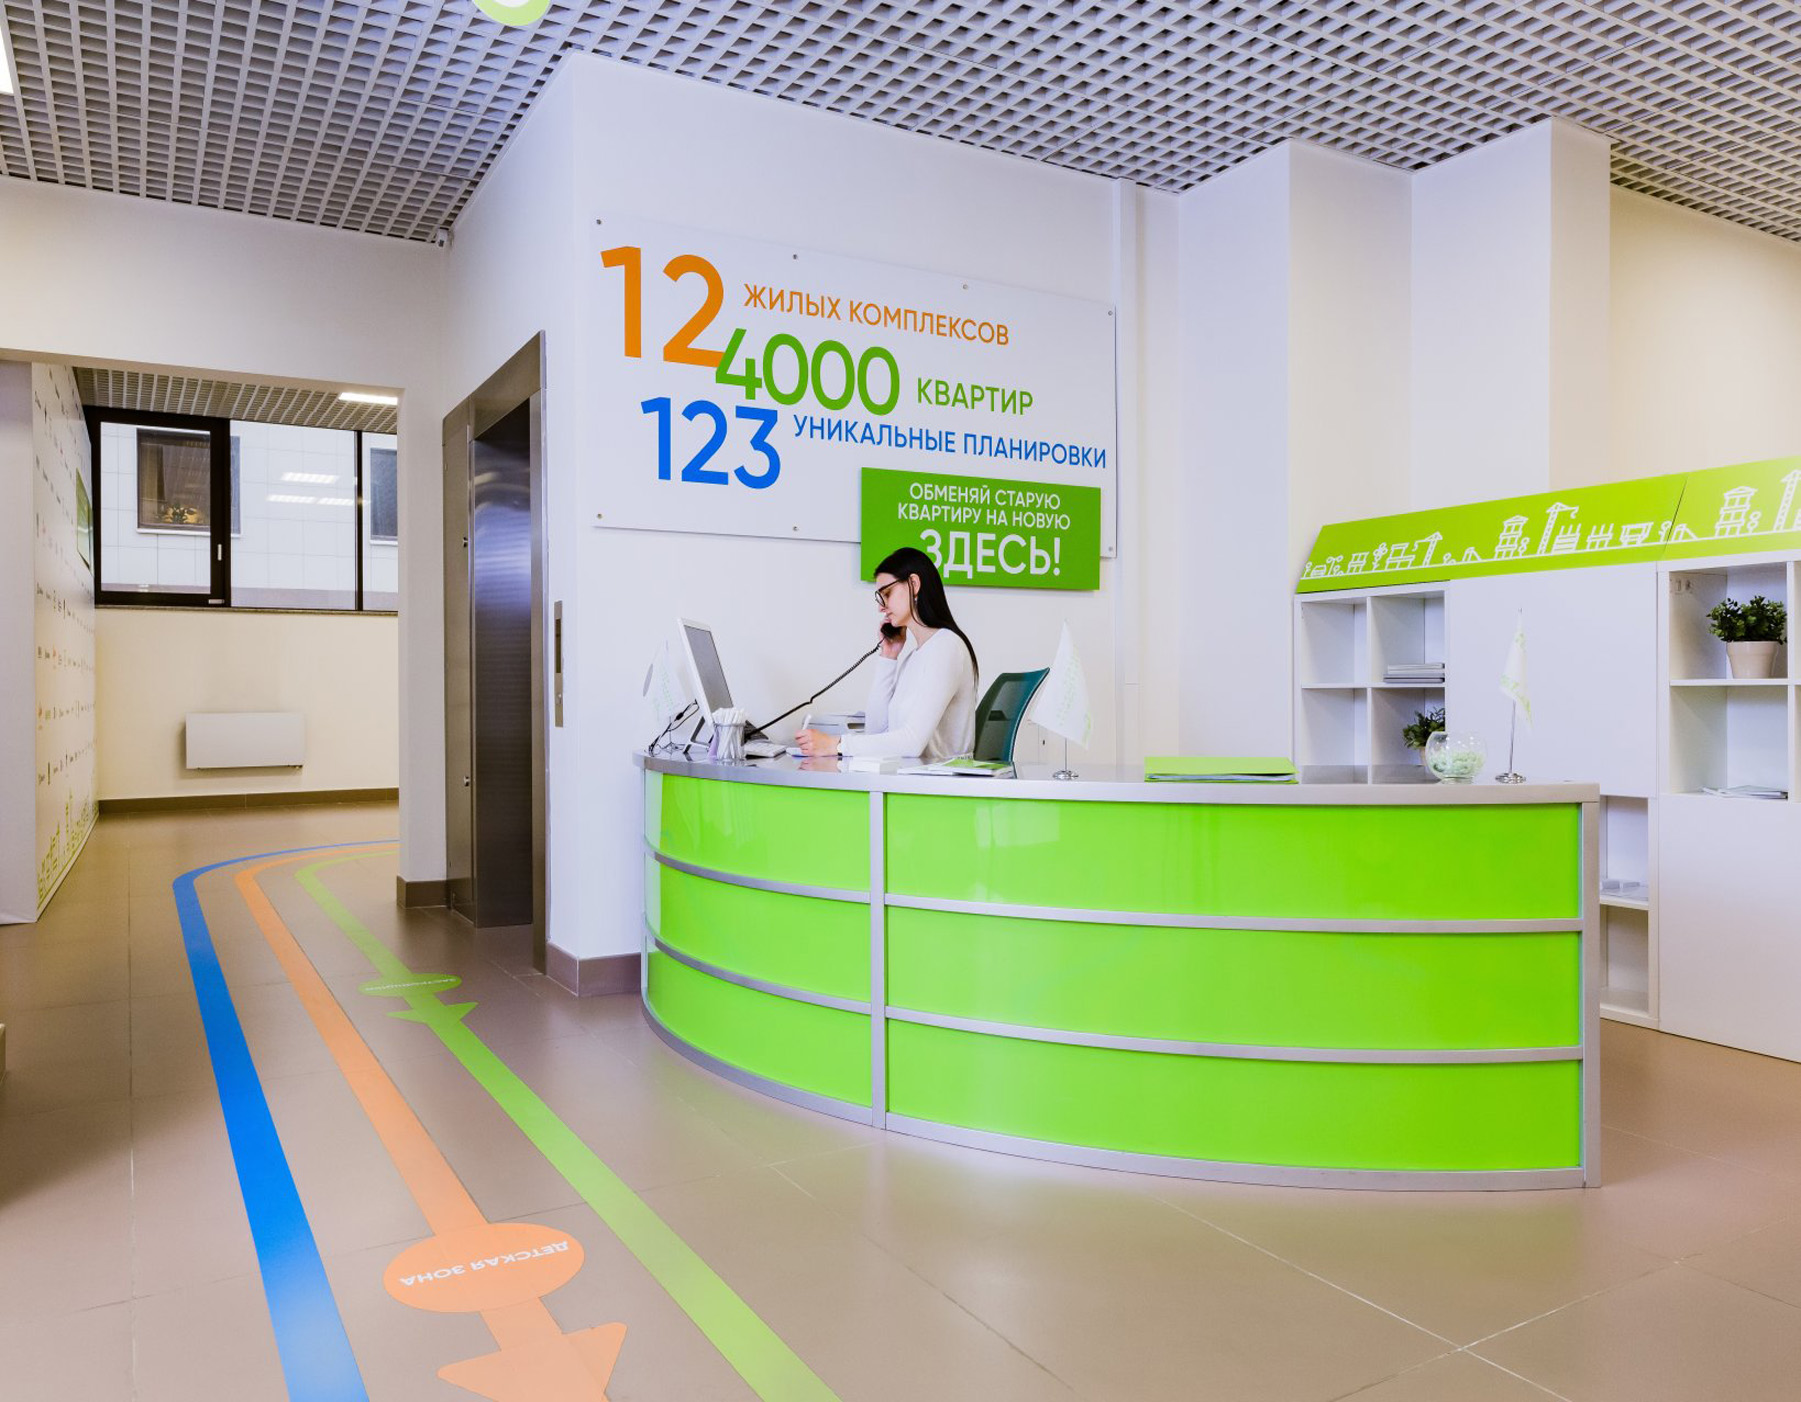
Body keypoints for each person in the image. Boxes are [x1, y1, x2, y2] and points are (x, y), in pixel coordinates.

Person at [796, 547, 979, 762]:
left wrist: (836, 744)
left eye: (887, 594)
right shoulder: (915, 657)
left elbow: (912, 743)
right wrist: (888, 657)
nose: (881, 608)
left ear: (914, 584)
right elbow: (876, 732)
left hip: (937, 780)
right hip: (910, 775)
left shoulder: (947, 647)